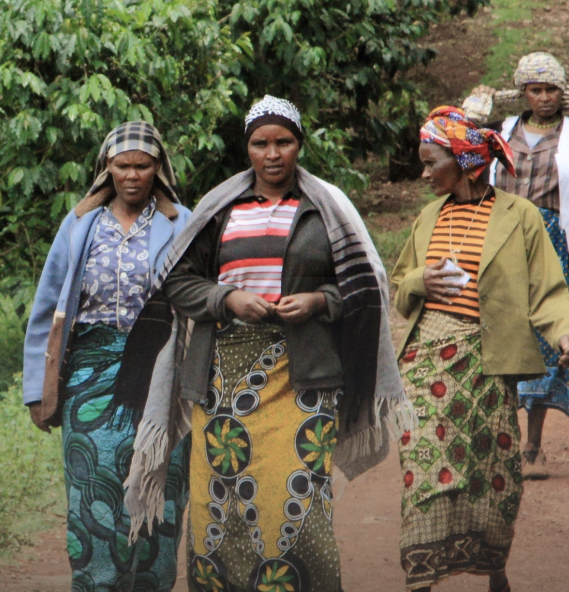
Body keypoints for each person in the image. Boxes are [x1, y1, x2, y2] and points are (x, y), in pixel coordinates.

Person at [120, 95, 406, 592]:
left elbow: (363, 286)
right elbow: (180, 284)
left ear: (299, 144)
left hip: (305, 378)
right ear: (247, 148)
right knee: (220, 510)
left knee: (296, 507)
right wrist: (227, 299)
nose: (272, 154)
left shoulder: (327, 208)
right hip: (220, 379)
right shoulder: (219, 209)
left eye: (284, 142)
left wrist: (319, 301)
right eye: (261, 144)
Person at [391, 106, 569, 592]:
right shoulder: (427, 217)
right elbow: (399, 289)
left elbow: (547, 289)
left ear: (466, 161)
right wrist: (421, 279)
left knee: (491, 471)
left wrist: (565, 332)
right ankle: (422, 577)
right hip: (427, 357)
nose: (425, 172)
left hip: (490, 363)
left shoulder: (520, 217)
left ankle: (493, 566)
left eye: (433, 161)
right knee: (425, 468)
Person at [23, 121, 192, 592]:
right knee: (89, 488)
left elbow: (200, 301)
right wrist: (37, 388)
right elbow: (47, 309)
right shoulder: (80, 225)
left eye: (143, 165)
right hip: (87, 375)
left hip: (162, 374)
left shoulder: (182, 222)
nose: (133, 175)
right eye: (123, 166)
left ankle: (151, 583)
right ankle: (96, 583)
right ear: (107, 168)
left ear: (158, 169)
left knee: (160, 486)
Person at [462, 51, 569, 478]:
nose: (544, 98)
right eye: (535, 90)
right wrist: (476, 107)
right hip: (498, 243)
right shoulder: (498, 131)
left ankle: (532, 447)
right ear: (522, 93)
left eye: (552, 89)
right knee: (497, 329)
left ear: (563, 92)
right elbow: (461, 159)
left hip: (556, 247)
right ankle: (496, 439)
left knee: (550, 336)